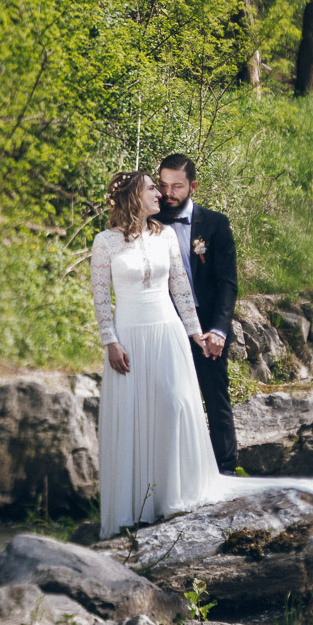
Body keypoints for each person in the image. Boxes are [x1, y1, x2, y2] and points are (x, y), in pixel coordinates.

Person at [90, 169, 222, 538]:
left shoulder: (163, 236)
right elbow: (101, 297)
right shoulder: (105, 242)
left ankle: (174, 495)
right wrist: (110, 341)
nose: (160, 194)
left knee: (174, 404)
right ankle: (139, 505)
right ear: (134, 196)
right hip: (129, 337)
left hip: (168, 333)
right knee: (134, 415)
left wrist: (195, 333)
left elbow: (180, 287)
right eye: (152, 188)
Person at [157, 153, 238, 473]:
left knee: (214, 395)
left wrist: (219, 330)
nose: (168, 193)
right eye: (163, 186)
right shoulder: (151, 220)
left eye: (177, 186)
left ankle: (227, 468)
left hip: (206, 324)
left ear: (193, 186)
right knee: (171, 399)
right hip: (167, 321)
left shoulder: (216, 224)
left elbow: (227, 283)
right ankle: (180, 472)